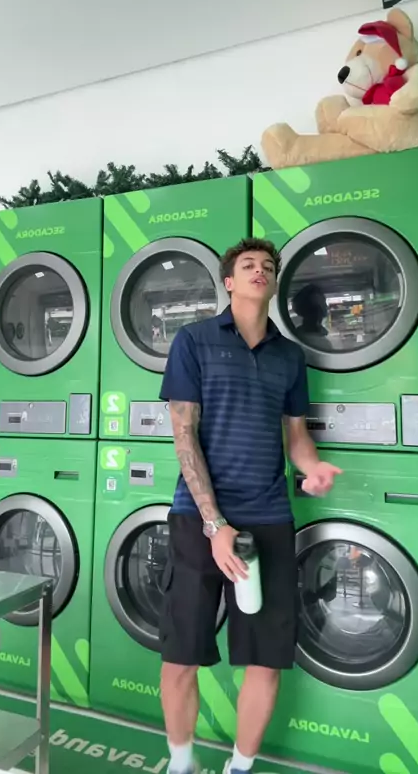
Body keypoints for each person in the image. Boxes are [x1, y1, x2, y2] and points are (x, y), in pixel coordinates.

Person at [159, 238, 342, 774]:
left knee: (265, 658)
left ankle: (240, 767)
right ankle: (182, 763)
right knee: (181, 654)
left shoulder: (290, 356)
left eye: (268, 266)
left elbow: (296, 437)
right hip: (198, 517)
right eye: (248, 265)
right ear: (229, 281)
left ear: (274, 282)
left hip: (268, 519)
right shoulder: (193, 341)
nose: (260, 271)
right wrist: (215, 523)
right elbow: (184, 436)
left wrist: (312, 467)